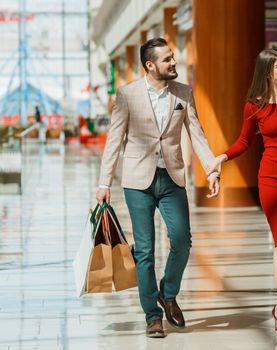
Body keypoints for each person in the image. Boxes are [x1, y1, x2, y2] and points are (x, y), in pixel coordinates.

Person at [96, 38, 220, 338]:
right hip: (137, 181)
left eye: (172, 57)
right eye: (167, 60)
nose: (173, 63)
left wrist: (212, 169)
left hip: (172, 178)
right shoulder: (127, 95)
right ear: (150, 65)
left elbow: (198, 135)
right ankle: (152, 315)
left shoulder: (183, 93)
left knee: (182, 240)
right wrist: (103, 182)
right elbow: (115, 140)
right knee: (146, 250)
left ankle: (168, 292)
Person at [210, 49, 277, 334]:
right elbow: (244, 142)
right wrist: (221, 158)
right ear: (267, 72)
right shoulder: (254, 106)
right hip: (272, 182)